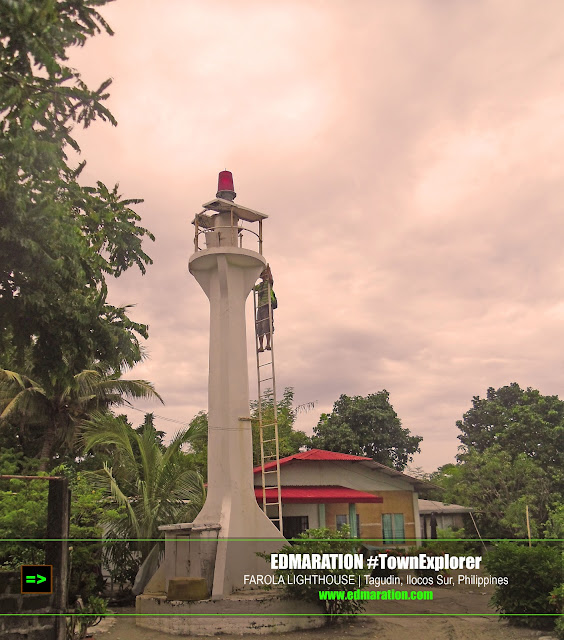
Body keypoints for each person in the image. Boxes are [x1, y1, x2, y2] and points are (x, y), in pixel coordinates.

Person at [254, 265, 276, 352]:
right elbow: (252, 287)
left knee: (267, 325)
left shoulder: (269, 283)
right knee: (259, 326)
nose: (263, 275)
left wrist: (268, 269)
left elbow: (271, 279)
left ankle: (268, 344)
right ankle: (261, 346)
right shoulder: (260, 286)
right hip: (260, 307)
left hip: (267, 305)